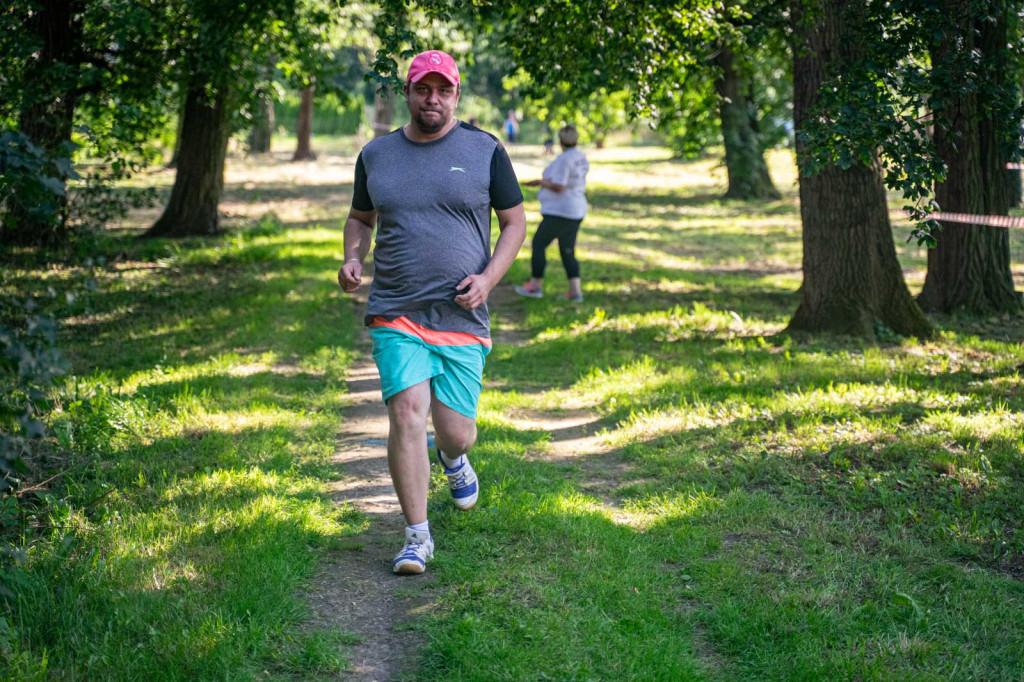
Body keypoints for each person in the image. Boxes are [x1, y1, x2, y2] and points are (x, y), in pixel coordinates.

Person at [338, 50, 526, 576]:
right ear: (409, 92)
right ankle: (416, 537)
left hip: (462, 315)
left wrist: (488, 280)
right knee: (406, 413)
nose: (433, 99)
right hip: (396, 308)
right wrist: (352, 257)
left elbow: (514, 222)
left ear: (457, 94)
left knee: (455, 432)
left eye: (444, 90)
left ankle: (453, 458)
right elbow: (359, 218)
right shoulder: (376, 154)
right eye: (424, 89)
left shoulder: (485, 149)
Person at [514, 125, 589, 302]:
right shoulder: (581, 157)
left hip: (560, 211)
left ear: (561, 140)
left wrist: (540, 182)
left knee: (539, 244)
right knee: (567, 250)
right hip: (576, 209)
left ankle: (535, 286)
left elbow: (560, 186)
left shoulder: (564, 159)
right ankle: (575, 291)